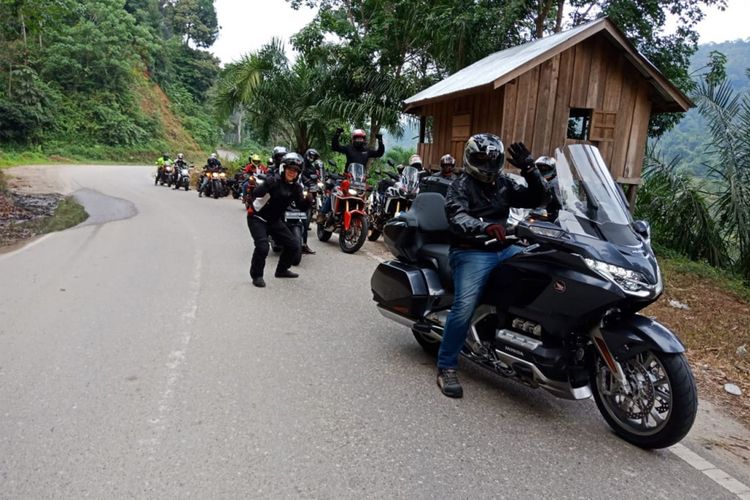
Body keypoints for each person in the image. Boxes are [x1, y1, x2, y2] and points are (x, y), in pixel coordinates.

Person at [436, 135, 548, 399]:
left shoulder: (504, 184)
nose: (487, 165)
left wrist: (530, 169)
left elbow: (539, 198)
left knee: (543, 274)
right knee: (464, 307)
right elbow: (457, 216)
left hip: (504, 246)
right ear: (470, 158)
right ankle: (447, 366)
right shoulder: (460, 184)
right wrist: (484, 226)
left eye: (492, 159)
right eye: (481, 159)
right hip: (471, 250)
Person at [247, 152, 312, 288]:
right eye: (289, 169)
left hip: (274, 220)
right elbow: (256, 193)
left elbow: (301, 206)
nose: (292, 173)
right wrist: (266, 185)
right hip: (257, 218)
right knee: (263, 247)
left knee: (293, 245)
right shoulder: (274, 180)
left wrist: (308, 201)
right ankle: (257, 275)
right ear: (283, 168)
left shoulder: (296, 188)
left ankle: (281, 270)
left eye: (295, 171)